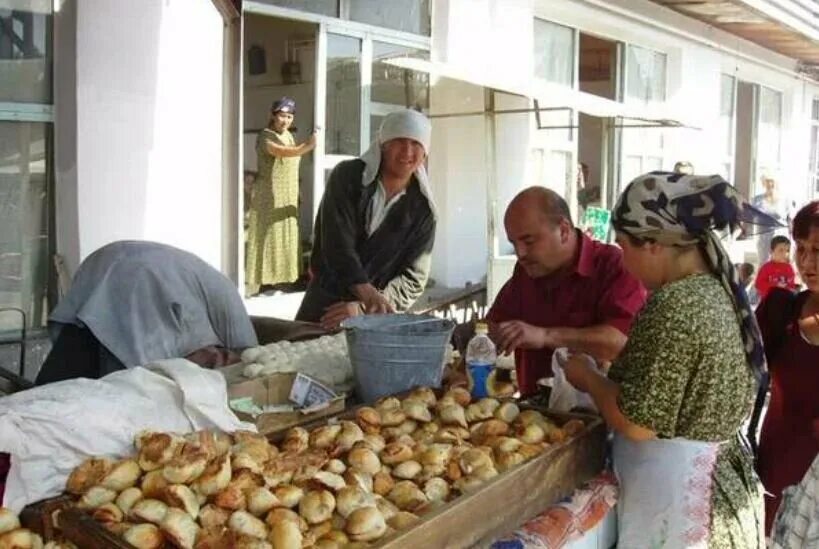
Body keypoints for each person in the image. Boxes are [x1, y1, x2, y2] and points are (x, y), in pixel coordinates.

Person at [561, 172, 774, 547]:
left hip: (685, 505)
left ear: (654, 245)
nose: (624, 262)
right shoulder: (713, 288)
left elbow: (639, 422)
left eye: (625, 247)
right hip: (717, 485)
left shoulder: (674, 304)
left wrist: (589, 377)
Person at [486, 187, 646, 396]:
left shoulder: (614, 266)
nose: (520, 253)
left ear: (563, 230)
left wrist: (545, 336)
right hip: (533, 411)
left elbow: (620, 343)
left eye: (528, 241)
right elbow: (492, 326)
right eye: (514, 244)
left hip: (598, 415)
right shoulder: (527, 269)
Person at [35, 241, 258, 384]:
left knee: (86, 345)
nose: (216, 361)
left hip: (106, 260)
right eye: (215, 360)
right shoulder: (227, 304)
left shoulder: (202, 296)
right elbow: (250, 357)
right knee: (134, 385)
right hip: (139, 277)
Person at [296, 109, 436, 330]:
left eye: (416, 144)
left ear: (425, 153)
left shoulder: (422, 211)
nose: (407, 151)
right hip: (324, 305)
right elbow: (337, 244)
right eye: (399, 141)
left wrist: (364, 307)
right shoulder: (347, 177)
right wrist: (365, 293)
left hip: (374, 319)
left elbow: (413, 279)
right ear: (383, 144)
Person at [755, 200, 819, 534]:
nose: (807, 262)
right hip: (777, 475)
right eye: (801, 249)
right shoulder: (780, 310)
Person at [245, 97, 318, 296]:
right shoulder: (265, 136)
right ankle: (266, 282)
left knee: (286, 235)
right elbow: (282, 153)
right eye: (281, 116)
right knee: (269, 236)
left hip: (287, 194)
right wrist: (307, 147)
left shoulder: (289, 135)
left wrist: (298, 192)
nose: (285, 120)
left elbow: (291, 167)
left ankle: (284, 280)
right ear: (273, 115)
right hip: (269, 194)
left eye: (289, 116)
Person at [752, 172, 792, 264]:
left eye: (772, 181)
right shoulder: (757, 200)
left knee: (781, 262)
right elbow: (750, 217)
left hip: (780, 237)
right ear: (763, 183)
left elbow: (790, 220)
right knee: (764, 264)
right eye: (767, 181)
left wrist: (792, 240)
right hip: (763, 237)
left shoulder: (784, 199)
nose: (770, 184)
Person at [754, 235, 798, 301]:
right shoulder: (766, 267)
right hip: (768, 303)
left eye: (787, 251)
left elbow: (791, 285)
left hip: (785, 302)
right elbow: (758, 284)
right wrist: (775, 286)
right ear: (772, 251)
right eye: (781, 250)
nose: (785, 253)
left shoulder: (789, 268)